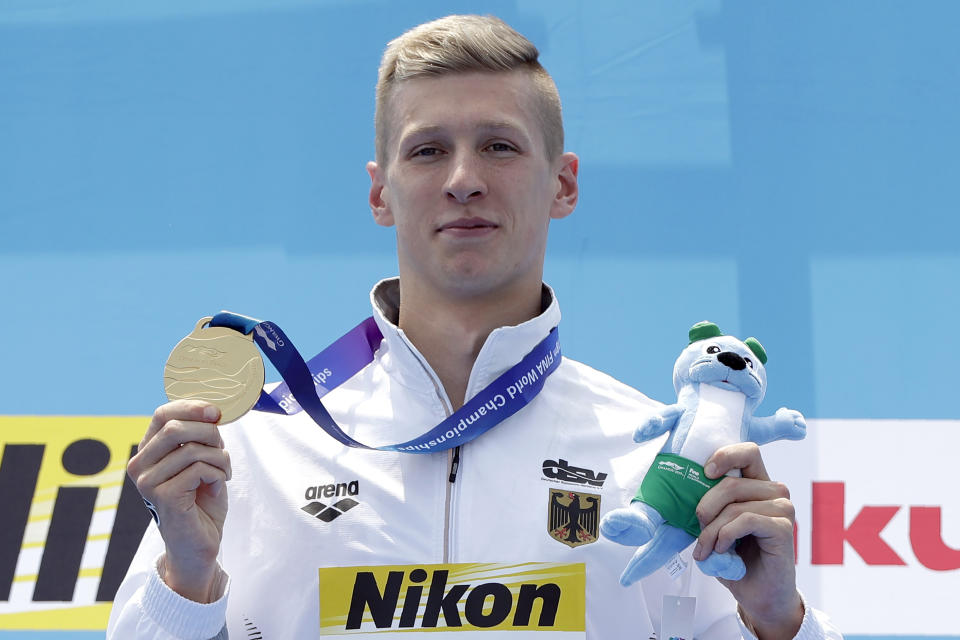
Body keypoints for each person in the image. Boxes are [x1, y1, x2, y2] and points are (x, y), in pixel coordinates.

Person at [108, 15, 842, 639]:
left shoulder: (659, 466)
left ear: (564, 184)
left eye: (499, 145)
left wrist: (781, 621)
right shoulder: (257, 446)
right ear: (379, 193)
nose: (463, 178)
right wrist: (185, 580)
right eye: (428, 150)